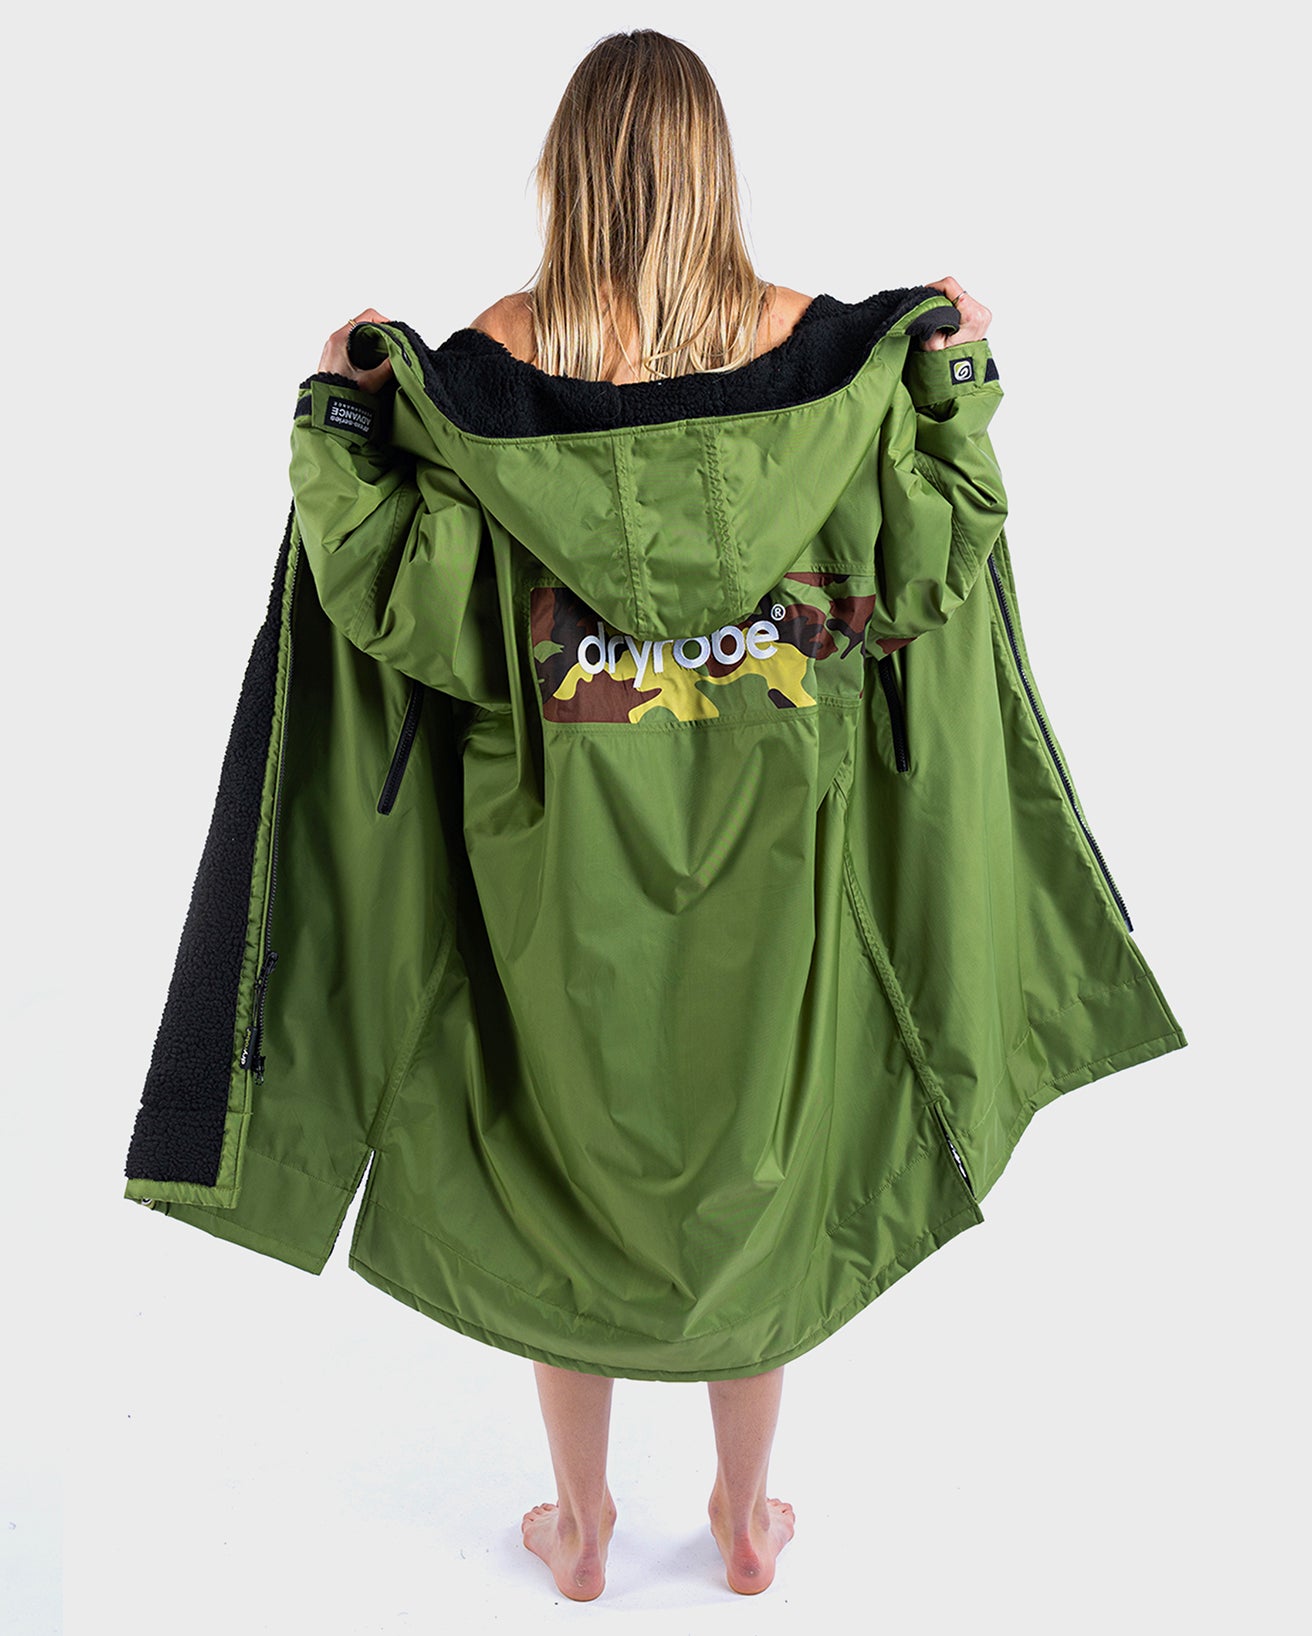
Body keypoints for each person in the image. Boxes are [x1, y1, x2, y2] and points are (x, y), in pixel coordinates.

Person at [306, 30, 991, 1603]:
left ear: (567, 174)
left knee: (572, 1172)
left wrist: (341, 409)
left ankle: (584, 1525)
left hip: (560, 864)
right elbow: (920, 561)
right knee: (758, 1168)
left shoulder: (493, 368)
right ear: (712, 170)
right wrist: (955, 380)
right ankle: (745, 1519)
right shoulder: (824, 364)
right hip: (779, 846)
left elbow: (399, 593)